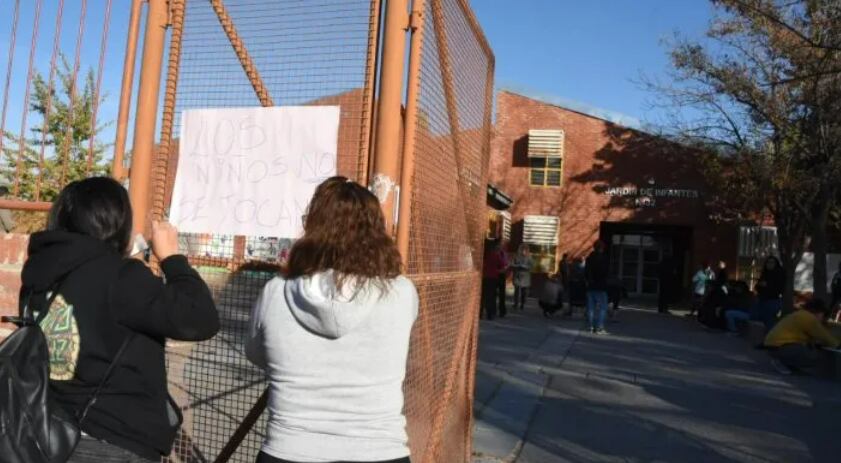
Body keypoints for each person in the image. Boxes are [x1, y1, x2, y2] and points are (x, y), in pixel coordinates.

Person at [19, 177, 220, 462]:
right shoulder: (120, 277)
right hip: (115, 440)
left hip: (51, 434)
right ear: (117, 222)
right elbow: (201, 318)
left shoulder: (39, 271)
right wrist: (172, 257)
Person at [245, 176, 417, 463]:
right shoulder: (402, 292)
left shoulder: (276, 291)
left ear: (312, 228)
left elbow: (257, 353)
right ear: (377, 232)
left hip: (289, 448)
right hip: (380, 449)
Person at [764, 298, 839, 375]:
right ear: (818, 312)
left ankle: (788, 365)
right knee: (819, 357)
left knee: (805, 350)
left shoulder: (799, 314)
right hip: (782, 348)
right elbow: (824, 336)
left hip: (772, 346)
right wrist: (837, 346)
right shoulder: (809, 318)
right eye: (823, 314)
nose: (823, 318)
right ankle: (782, 361)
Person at [585, 241, 610, 334]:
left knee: (591, 308)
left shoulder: (589, 258)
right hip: (601, 285)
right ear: (602, 248)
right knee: (602, 307)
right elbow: (606, 272)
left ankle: (590, 327)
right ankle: (599, 327)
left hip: (590, 286)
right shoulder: (604, 259)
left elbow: (586, 272)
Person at [754, 256, 785, 329]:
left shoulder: (779, 274)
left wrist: (767, 285)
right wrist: (760, 285)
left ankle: (770, 338)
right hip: (762, 300)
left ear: (775, 264)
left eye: (772, 262)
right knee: (763, 319)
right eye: (768, 262)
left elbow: (779, 289)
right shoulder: (765, 274)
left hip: (772, 300)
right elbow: (757, 286)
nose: (769, 264)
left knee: (769, 320)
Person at [481, 240, 506, 320]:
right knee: (491, 296)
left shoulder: (484, 255)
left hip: (484, 277)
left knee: (483, 295)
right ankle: (490, 313)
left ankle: (480, 313)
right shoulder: (496, 255)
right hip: (493, 277)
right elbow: (502, 264)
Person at [511, 244, 533, 311]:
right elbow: (512, 264)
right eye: (522, 250)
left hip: (525, 276)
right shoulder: (516, 257)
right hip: (518, 275)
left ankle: (522, 304)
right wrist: (517, 265)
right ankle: (516, 303)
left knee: (524, 291)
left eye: (525, 250)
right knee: (516, 291)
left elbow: (531, 266)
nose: (523, 251)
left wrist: (525, 267)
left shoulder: (529, 258)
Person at [496, 242, 510, 317]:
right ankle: (494, 309)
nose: (500, 247)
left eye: (501, 246)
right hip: (495, 274)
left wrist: (505, 268)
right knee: (494, 293)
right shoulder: (495, 254)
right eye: (499, 246)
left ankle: (502, 310)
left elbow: (507, 263)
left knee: (502, 294)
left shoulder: (504, 254)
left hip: (501, 275)